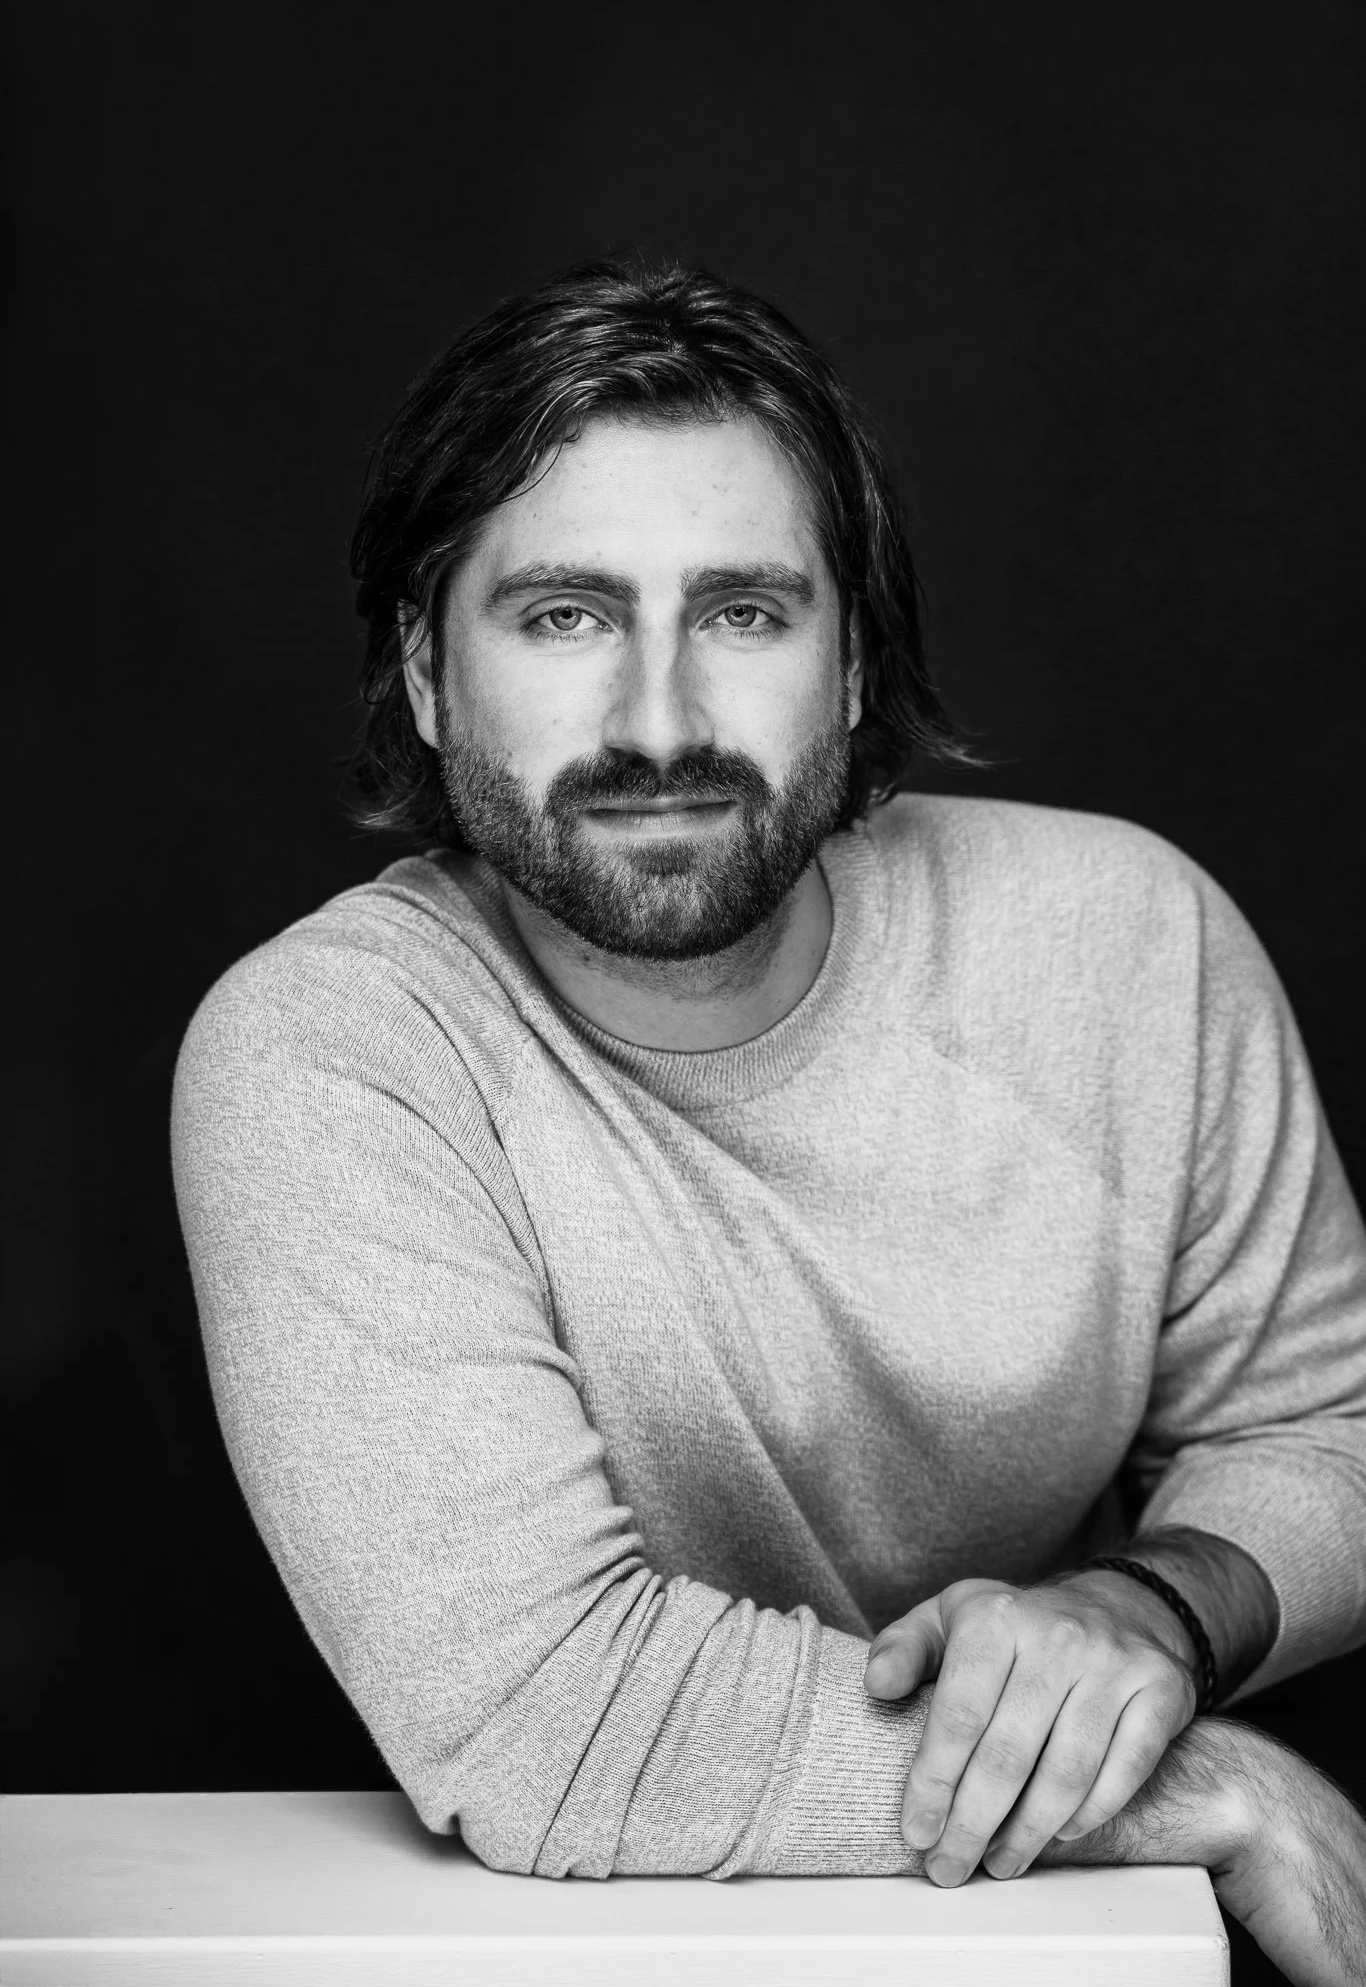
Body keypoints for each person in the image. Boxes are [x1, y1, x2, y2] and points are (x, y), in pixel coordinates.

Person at [171, 258, 1366, 1982]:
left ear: (856, 662)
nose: (658, 723)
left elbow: (1330, 1426)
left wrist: (1146, 1610)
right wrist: (1197, 1783)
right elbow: (543, 1714)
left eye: (742, 613)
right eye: (563, 616)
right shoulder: (329, 1054)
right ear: (428, 681)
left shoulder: (1128, 943)